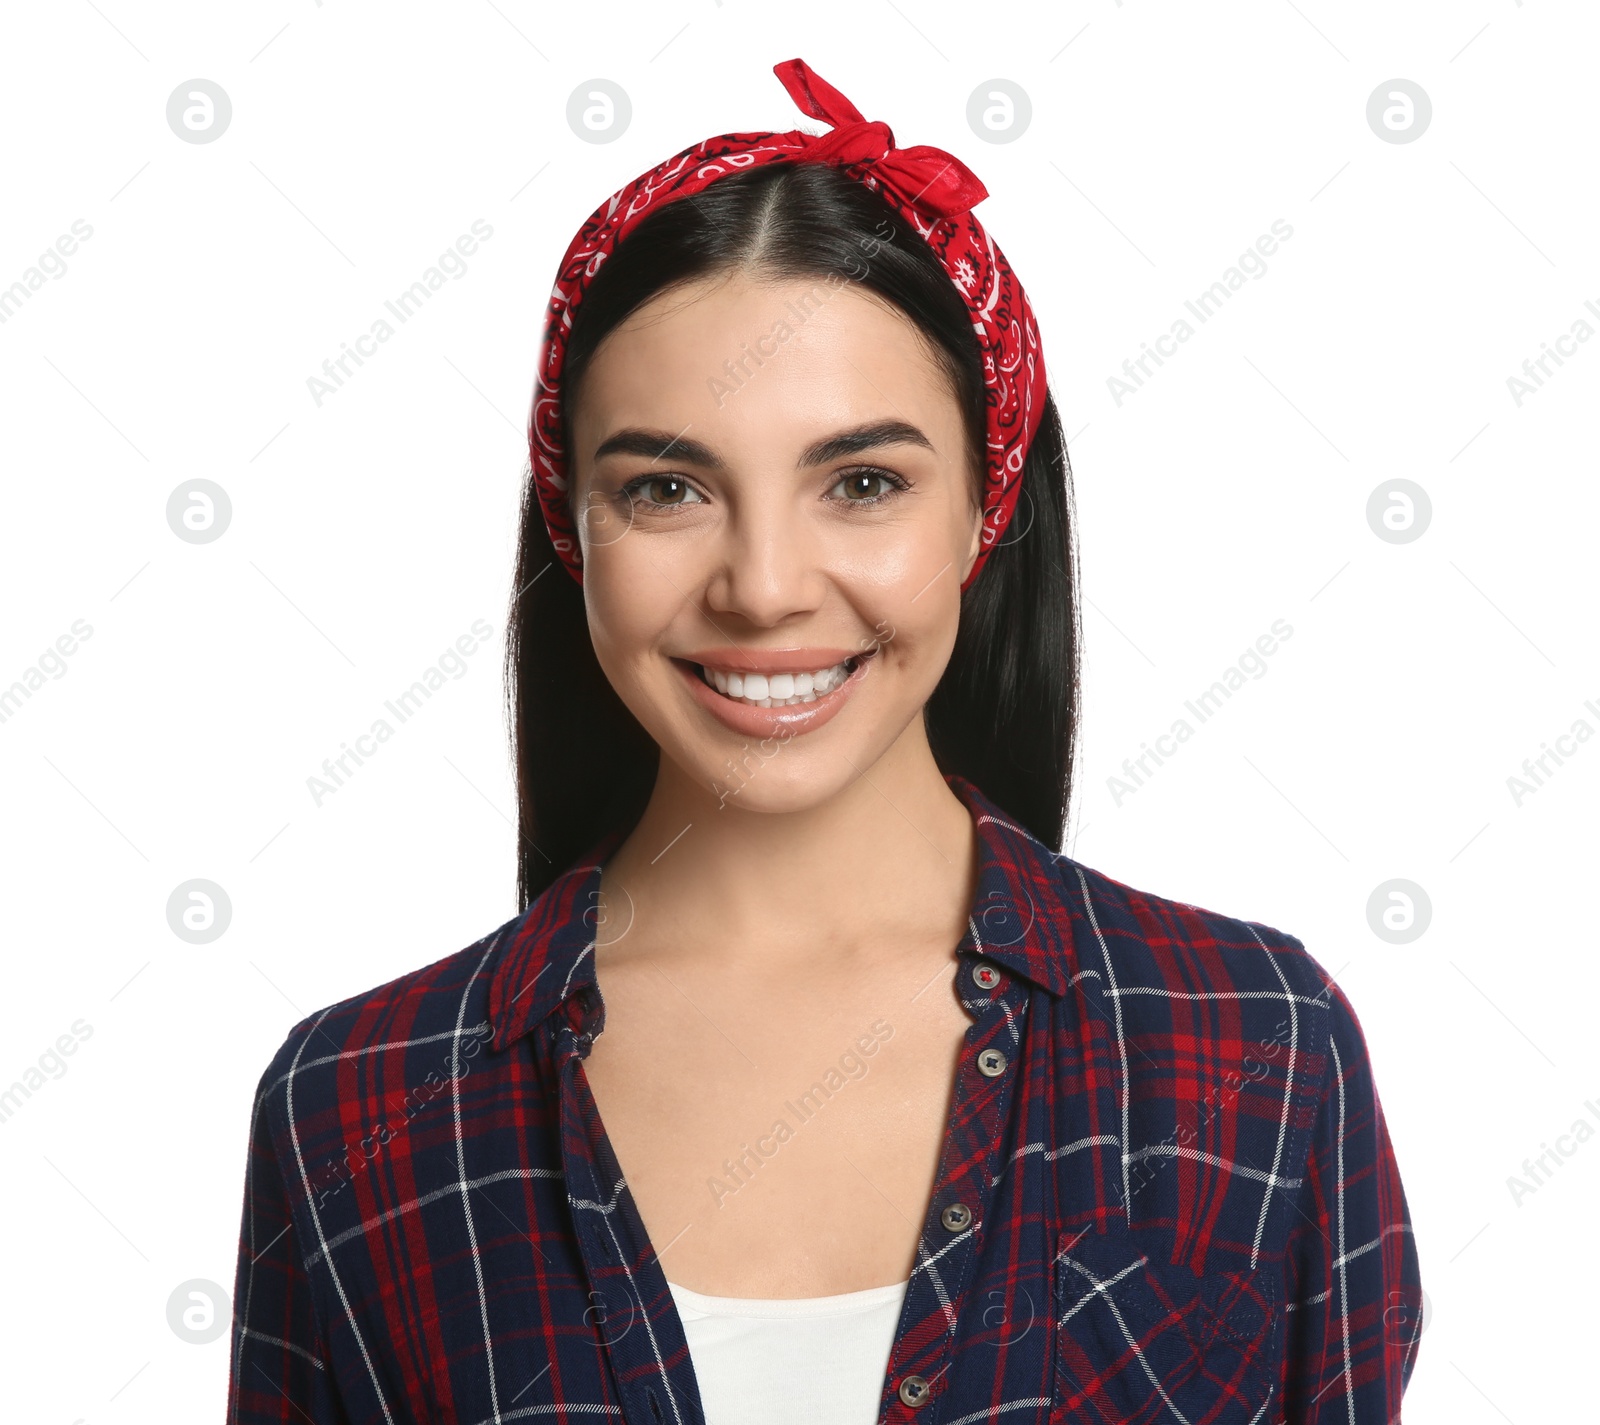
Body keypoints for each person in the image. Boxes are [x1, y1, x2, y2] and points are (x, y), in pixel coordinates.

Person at [226, 58, 1423, 1425]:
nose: (766, 585)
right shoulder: (357, 1110)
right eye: (668, 486)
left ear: (987, 502)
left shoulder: (1256, 1047)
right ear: (575, 526)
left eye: (862, 482)